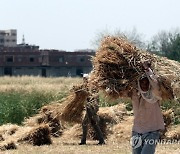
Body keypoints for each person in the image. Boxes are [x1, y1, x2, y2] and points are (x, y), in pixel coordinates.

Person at [129, 61, 165, 154]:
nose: (144, 85)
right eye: (142, 83)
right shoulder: (135, 95)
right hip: (136, 132)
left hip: (151, 133)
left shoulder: (155, 96)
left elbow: (155, 84)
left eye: (146, 83)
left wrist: (147, 70)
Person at [79, 74, 105, 145]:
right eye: (83, 79)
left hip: (92, 107)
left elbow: (93, 97)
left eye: (85, 79)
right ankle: (84, 140)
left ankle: (101, 140)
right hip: (89, 107)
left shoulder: (92, 87)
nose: (83, 80)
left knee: (91, 123)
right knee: (90, 123)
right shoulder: (87, 86)